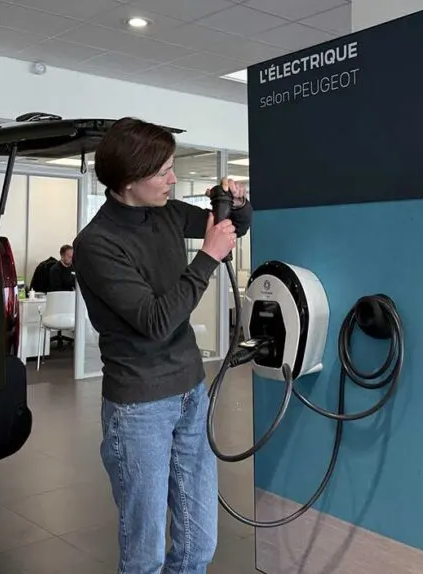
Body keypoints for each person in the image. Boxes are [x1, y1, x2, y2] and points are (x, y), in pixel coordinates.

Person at [72, 117, 251, 573]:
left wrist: (237, 205)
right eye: (164, 172)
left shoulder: (167, 212)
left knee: (199, 544)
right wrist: (208, 257)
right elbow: (155, 321)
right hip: (139, 408)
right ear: (129, 182)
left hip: (190, 391)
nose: (173, 179)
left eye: (173, 167)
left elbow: (228, 226)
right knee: (145, 551)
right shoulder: (97, 244)